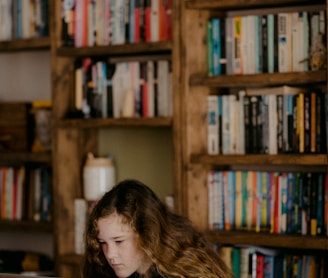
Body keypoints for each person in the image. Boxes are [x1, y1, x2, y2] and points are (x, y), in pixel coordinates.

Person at [82, 179, 233, 278]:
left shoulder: (186, 271)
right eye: (103, 242)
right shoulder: (105, 269)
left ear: (147, 232)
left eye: (119, 241)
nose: (110, 254)